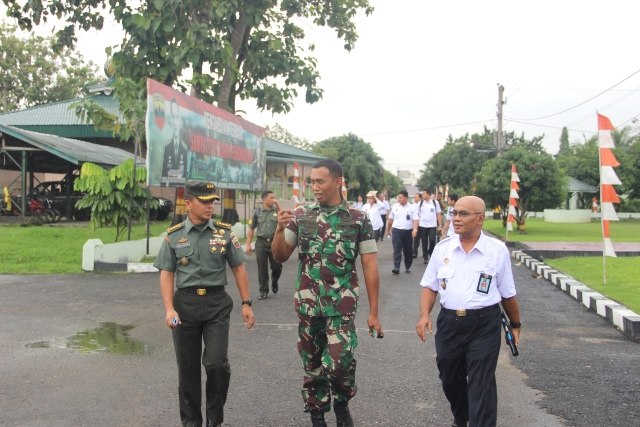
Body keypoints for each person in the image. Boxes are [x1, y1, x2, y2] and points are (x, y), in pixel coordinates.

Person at [271, 159, 383, 427]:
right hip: (308, 306)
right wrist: (278, 229)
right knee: (312, 363)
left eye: (320, 181)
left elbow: (369, 264)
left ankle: (342, 403)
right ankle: (317, 414)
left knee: (340, 364)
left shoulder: (358, 219)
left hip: (341, 307)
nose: (315, 187)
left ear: (338, 182)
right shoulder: (302, 216)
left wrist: (374, 312)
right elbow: (280, 256)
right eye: (312, 182)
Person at [154, 181, 255, 427]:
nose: (210, 206)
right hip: (184, 305)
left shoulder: (224, 232)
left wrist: (246, 303)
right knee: (187, 369)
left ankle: (214, 419)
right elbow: (167, 273)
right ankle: (191, 422)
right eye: (205, 201)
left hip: (216, 304)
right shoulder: (174, 235)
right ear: (188, 203)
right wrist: (169, 309)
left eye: (212, 202)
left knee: (217, 364)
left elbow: (238, 268)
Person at [415, 196, 521, 427]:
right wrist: (424, 315)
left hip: (484, 324)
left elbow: (507, 292)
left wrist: (516, 324)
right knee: (449, 377)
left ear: (480, 219)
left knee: (482, 382)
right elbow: (430, 286)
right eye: (454, 213)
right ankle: (461, 417)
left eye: (464, 214)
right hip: (450, 322)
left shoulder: (496, 251)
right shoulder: (443, 248)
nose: (456, 219)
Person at [246, 190, 283, 300]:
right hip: (261, 242)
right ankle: (263, 291)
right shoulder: (257, 212)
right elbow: (251, 228)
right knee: (262, 268)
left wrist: (278, 206)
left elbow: (283, 221)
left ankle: (275, 280)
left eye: (274, 197)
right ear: (264, 199)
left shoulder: (277, 210)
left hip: (274, 242)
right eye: (271, 198)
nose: (274, 200)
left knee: (276, 267)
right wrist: (248, 244)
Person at [386, 190, 415, 274]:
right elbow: (391, 219)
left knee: (408, 250)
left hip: (408, 231)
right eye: (398, 197)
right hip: (397, 230)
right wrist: (388, 230)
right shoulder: (395, 206)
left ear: (406, 198)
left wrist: (415, 230)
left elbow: (415, 219)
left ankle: (408, 266)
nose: (399, 199)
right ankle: (396, 267)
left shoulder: (412, 207)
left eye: (401, 198)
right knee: (397, 249)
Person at [412, 188, 442, 264]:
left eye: (424, 194)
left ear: (428, 195)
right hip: (422, 225)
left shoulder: (435, 203)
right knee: (424, 241)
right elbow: (417, 214)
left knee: (432, 240)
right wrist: (416, 227)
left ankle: (430, 252)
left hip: (432, 225)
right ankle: (425, 257)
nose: (422, 195)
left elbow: (438, 214)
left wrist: (440, 225)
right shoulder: (420, 203)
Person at [163, 98, 189, 180]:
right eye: (173, 117)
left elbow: (185, 173)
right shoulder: (167, 146)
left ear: (180, 120)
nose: (175, 122)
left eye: (177, 117)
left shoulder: (185, 148)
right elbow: (164, 173)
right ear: (170, 119)